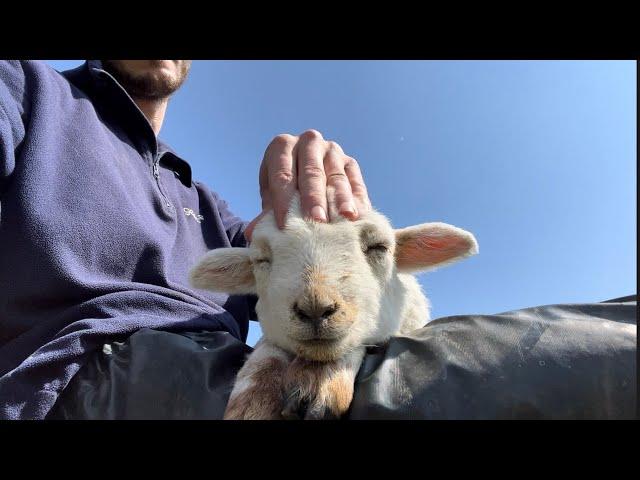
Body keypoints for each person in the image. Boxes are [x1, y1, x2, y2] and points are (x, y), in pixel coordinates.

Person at [1, 60, 635, 420]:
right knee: (580, 366)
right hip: (90, 378)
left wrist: (317, 226)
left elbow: (301, 275)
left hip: (220, 371)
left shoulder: (202, 201)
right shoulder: (27, 90)